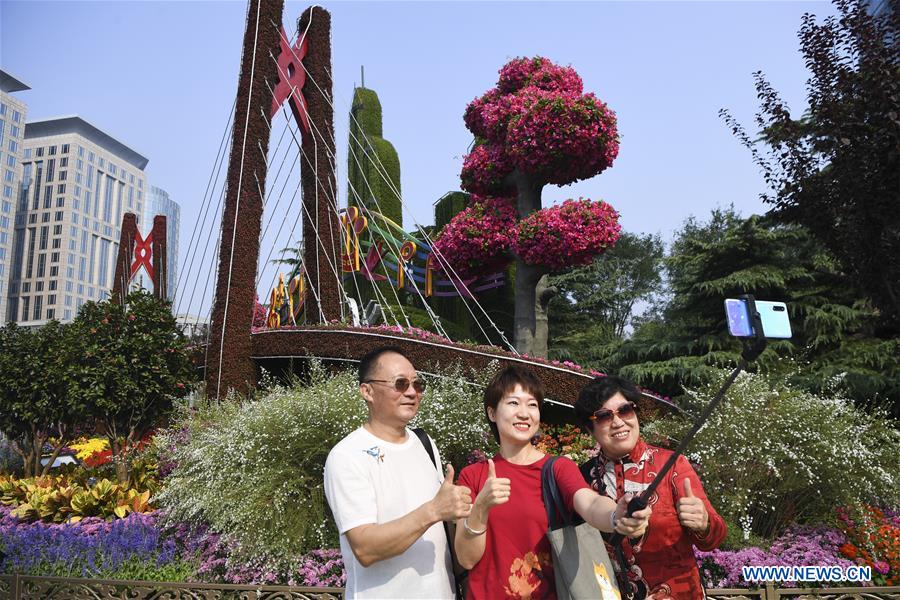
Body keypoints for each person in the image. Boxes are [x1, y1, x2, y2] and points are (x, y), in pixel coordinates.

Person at [455, 366, 652, 599]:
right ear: (491, 413)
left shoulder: (557, 468)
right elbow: (466, 559)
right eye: (513, 403)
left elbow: (589, 503)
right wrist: (481, 507)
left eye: (532, 404)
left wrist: (616, 516)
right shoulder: (473, 475)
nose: (524, 413)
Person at [324, 346, 472, 599]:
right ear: (367, 391)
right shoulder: (348, 455)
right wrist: (434, 510)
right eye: (400, 384)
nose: (412, 392)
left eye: (418, 384)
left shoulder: (424, 443)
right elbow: (365, 548)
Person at [574, 375, 727, 600]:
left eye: (625, 410)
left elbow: (715, 538)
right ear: (590, 428)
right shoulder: (582, 477)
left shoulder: (673, 464)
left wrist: (704, 523)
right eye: (604, 416)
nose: (618, 423)